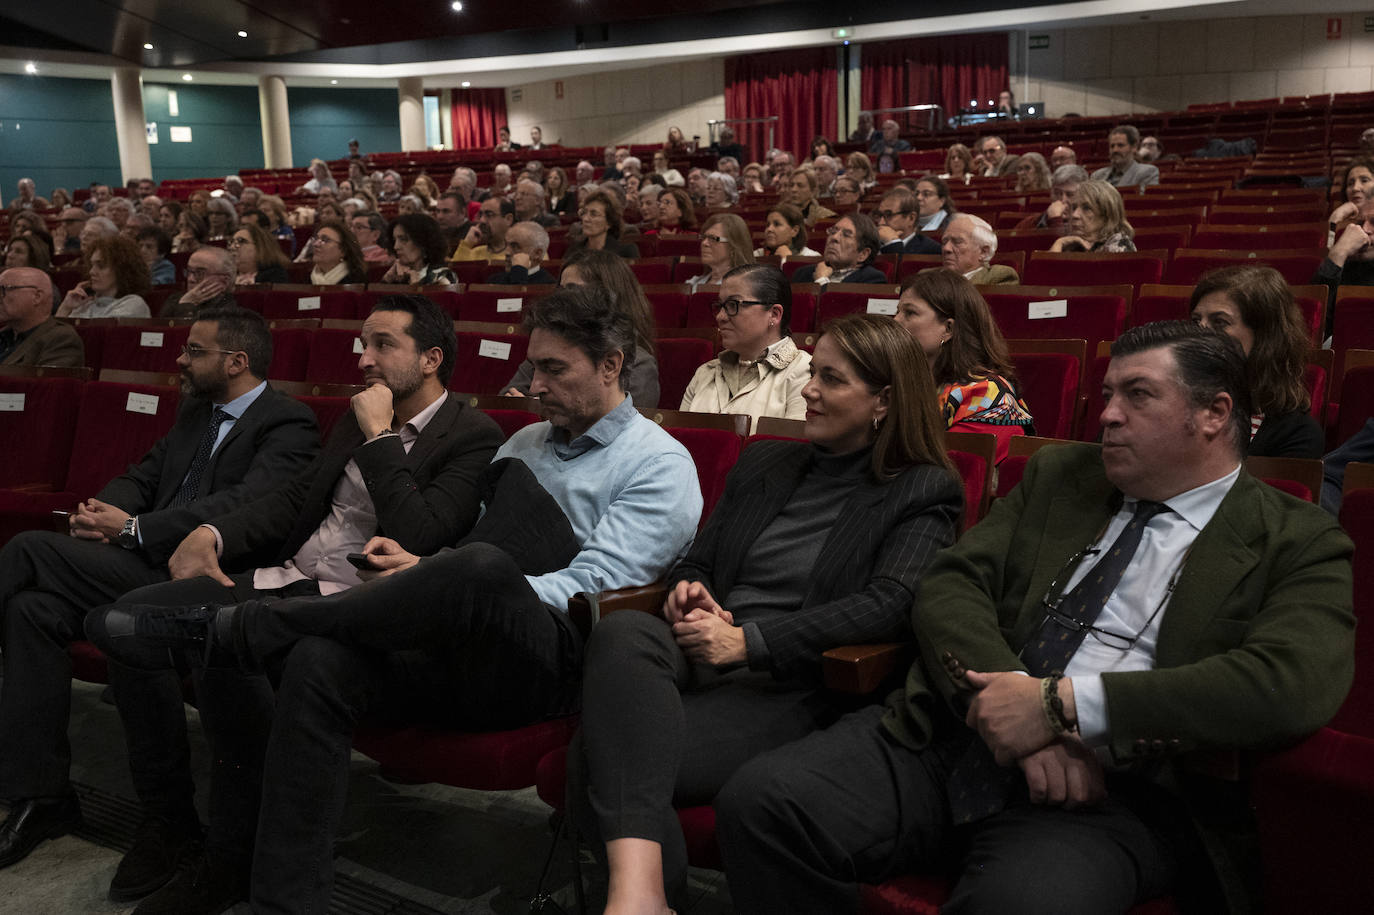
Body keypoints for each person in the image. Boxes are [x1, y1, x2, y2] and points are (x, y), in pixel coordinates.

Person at [88, 286, 703, 914]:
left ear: (610, 366)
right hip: (450, 636)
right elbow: (447, 547)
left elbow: (593, 588)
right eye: (533, 367)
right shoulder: (523, 446)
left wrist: (446, 574)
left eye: (554, 369)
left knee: (485, 566)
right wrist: (424, 571)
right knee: (318, 664)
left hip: (546, 659)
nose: (535, 385)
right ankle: (283, 898)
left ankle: (260, 623)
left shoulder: (658, 462)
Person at [716, 320, 1355, 915]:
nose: (1106, 414)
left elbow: (1288, 682)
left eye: (1138, 395)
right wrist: (1012, 704)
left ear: (1214, 414)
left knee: (1020, 903)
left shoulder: (1297, 537)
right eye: (1106, 393)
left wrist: (1064, 706)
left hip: (1110, 790)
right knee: (766, 802)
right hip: (950, 735)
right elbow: (950, 584)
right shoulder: (1061, 474)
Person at [569, 312, 963, 913]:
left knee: (599, 759)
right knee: (623, 630)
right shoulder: (765, 462)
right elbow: (697, 558)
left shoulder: (921, 487)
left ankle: (641, 898)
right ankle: (644, 898)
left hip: (792, 684)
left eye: (830, 379)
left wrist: (751, 642)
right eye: (813, 373)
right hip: (701, 646)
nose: (807, 387)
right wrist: (691, 590)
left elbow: (890, 603)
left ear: (883, 400)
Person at [0, 307, 318, 885]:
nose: (179, 359)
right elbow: (142, 475)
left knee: (27, 550)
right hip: (136, 565)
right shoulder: (198, 410)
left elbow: (245, 507)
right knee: (31, 610)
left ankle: (166, 822)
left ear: (237, 361)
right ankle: (41, 795)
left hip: (204, 580)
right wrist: (101, 510)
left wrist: (135, 529)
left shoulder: (287, 422)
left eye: (194, 351)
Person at [896, 270, 1035, 460]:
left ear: (949, 329)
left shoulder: (988, 397)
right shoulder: (903, 379)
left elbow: (955, 475)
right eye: (898, 311)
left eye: (910, 313)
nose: (895, 321)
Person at [1190, 266, 1322, 458]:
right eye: (1195, 321)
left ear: (1264, 337)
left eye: (1219, 322)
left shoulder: (1297, 434)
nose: (1198, 333)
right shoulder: (1172, 407)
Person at [503, 248, 659, 408]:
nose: (561, 298)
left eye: (573, 290)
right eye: (560, 290)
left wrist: (532, 406)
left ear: (607, 296)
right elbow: (507, 399)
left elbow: (624, 423)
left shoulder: (639, 363)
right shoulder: (546, 348)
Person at [680, 264, 810, 429]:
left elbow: (790, 452)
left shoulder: (804, 373)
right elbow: (678, 445)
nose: (720, 317)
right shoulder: (705, 373)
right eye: (720, 306)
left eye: (733, 305)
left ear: (774, 314)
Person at [0, 267, 85, 367]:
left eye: (4, 289)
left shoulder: (61, 339)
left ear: (37, 297)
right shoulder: (4, 335)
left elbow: (43, 383)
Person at [56, 234, 151, 318]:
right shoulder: (84, 305)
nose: (91, 272)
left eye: (101, 266)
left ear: (122, 269)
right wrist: (65, 308)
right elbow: (57, 336)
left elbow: (102, 335)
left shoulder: (134, 304)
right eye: (91, 265)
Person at [1314, 196, 1374, 325]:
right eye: (1360, 223)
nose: (1365, 230)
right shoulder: (1349, 265)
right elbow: (1313, 323)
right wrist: (1338, 253)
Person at [793, 214, 886, 286]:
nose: (834, 237)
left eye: (846, 235)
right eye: (833, 231)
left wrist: (821, 280)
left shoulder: (872, 280)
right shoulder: (803, 273)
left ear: (863, 254)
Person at [1049, 179, 1137, 253]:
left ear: (1106, 214)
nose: (1074, 215)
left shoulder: (1119, 246)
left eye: (1086, 208)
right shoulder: (1072, 244)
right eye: (1074, 207)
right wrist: (1059, 243)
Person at [159, 248, 238, 319]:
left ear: (224, 282)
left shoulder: (228, 311)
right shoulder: (174, 299)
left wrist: (186, 305)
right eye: (189, 271)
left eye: (200, 273)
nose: (190, 279)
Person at [381, 214, 456, 286]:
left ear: (423, 243)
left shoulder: (442, 277)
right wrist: (385, 282)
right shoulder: (393, 275)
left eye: (403, 239)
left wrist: (416, 286)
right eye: (394, 240)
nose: (395, 246)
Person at [686, 213, 754, 292]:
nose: (704, 243)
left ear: (733, 246)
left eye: (713, 238)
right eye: (704, 237)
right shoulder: (693, 283)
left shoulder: (746, 286)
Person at [566, 190, 639, 259]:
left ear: (609, 222)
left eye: (593, 214)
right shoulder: (574, 250)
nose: (585, 219)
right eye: (584, 213)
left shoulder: (625, 251)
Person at [1017, 164, 1088, 230]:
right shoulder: (1031, 223)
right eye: (1057, 193)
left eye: (1070, 194)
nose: (1062, 200)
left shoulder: (1090, 223)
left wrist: (1056, 220)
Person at [484, 221, 556, 285]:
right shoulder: (494, 280)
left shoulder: (548, 285)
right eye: (506, 245)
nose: (507, 252)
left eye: (515, 246)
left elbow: (518, 298)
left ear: (537, 253)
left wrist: (519, 271)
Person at [1091, 124, 1161, 188]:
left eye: (1120, 145)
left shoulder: (1147, 172)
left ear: (1134, 147)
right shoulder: (1097, 176)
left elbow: (1142, 200)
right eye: (1112, 146)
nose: (1115, 150)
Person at [876, 189, 941, 256]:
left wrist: (892, 242)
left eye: (888, 215)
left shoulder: (932, 250)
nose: (881, 223)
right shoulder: (872, 245)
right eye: (879, 215)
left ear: (911, 218)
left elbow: (903, 266)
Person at [452, 196, 515, 263]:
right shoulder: (474, 253)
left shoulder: (517, 255)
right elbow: (456, 270)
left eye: (489, 215)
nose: (482, 220)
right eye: (481, 215)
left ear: (508, 219)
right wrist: (467, 244)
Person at [308, 219, 368, 285]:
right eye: (316, 238)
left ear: (343, 250)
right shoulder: (303, 277)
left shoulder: (356, 280)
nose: (316, 244)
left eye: (325, 240)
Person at [754, 203, 820, 262]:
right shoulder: (756, 256)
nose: (769, 229)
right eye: (768, 225)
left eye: (777, 224)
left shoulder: (811, 258)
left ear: (794, 231)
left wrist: (786, 261)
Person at [1328, 156, 1373, 238]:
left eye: (1364, 180)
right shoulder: (1342, 227)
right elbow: (1329, 248)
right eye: (1350, 184)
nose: (1355, 188)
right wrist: (1333, 220)